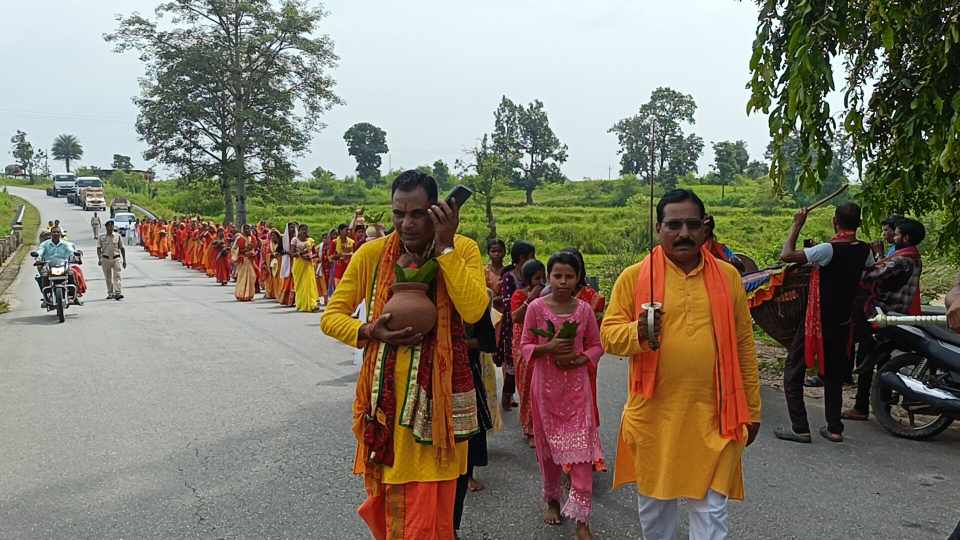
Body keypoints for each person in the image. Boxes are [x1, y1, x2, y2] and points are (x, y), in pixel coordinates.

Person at [320, 170, 487, 539]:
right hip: (388, 415)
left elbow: (474, 310)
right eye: (398, 214)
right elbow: (331, 317)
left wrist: (445, 248)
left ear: (439, 211)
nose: (406, 224)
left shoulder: (463, 250)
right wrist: (369, 331)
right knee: (396, 522)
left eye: (417, 214)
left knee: (435, 523)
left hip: (440, 419)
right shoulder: (372, 254)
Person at [600, 189, 761, 540]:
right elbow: (608, 335)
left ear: (705, 227)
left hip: (716, 415)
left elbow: (744, 346)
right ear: (659, 229)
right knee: (657, 512)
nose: (683, 233)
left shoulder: (728, 277)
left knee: (712, 512)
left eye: (691, 224)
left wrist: (752, 408)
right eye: (674, 225)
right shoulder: (634, 277)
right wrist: (638, 332)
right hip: (655, 415)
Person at [521, 251, 605, 539]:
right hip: (545, 391)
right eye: (557, 275)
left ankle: (582, 519)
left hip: (578, 391)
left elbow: (596, 345)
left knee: (582, 453)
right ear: (548, 277)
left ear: (578, 278)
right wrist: (549, 348)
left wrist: (580, 359)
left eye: (569, 276)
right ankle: (553, 501)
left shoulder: (584, 310)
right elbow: (525, 345)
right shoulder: (535, 308)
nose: (563, 281)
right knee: (548, 453)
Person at [775, 202, 874, 444]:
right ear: (859, 224)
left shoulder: (828, 249)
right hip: (843, 322)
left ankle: (800, 428)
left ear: (834, 222)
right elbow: (868, 270)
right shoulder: (865, 250)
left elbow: (786, 255)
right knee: (833, 376)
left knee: (793, 371)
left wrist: (797, 225)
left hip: (817, 321)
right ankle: (834, 428)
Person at [843, 218, 925, 421]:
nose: (893, 237)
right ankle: (883, 408)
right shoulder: (913, 256)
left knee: (867, 359)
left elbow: (870, 276)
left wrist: (873, 257)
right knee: (883, 362)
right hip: (896, 316)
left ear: (906, 238)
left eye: (896, 234)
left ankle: (861, 407)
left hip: (884, 315)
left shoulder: (902, 260)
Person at [453, 292, 498, 536]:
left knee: (467, 442)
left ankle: (451, 527)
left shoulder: (474, 298)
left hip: (465, 377)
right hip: (427, 382)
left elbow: (488, 342)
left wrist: (457, 343)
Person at [495, 240, 537, 411]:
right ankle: (507, 397)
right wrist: (527, 299)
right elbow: (507, 304)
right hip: (511, 325)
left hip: (530, 324)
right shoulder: (509, 277)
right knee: (512, 364)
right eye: (532, 256)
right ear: (521, 258)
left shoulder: (530, 274)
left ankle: (526, 400)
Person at [511, 259, 546, 446]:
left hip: (543, 347)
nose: (541, 282)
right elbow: (515, 317)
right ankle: (530, 428)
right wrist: (530, 299)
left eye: (543, 278)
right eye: (536, 278)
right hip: (524, 349)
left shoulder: (547, 294)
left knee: (542, 389)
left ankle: (542, 427)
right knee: (527, 388)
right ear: (527, 279)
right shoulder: (519, 295)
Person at [34, 227, 81, 304]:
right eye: (54, 232)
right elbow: (40, 252)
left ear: (60, 234)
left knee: (71, 273)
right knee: (43, 275)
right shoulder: (45, 244)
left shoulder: (66, 244)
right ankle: (46, 296)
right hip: (49, 265)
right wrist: (37, 258)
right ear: (51, 234)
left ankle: (73, 295)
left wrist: (75, 256)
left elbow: (71, 251)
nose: (56, 234)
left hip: (63, 265)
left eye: (58, 232)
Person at [291, 223, 320, 312]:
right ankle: (301, 304)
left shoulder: (310, 240)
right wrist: (301, 254)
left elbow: (315, 254)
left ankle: (312, 304)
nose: (304, 231)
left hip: (308, 264)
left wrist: (310, 257)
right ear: (299, 231)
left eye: (306, 230)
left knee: (309, 284)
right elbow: (292, 253)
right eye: (302, 229)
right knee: (300, 285)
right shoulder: (295, 240)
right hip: (298, 265)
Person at [97, 220, 127, 300]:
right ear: (106, 227)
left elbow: (122, 248)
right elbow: (98, 248)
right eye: (109, 226)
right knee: (108, 277)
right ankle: (110, 293)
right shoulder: (101, 237)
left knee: (117, 276)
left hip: (116, 258)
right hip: (105, 259)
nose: (110, 228)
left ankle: (118, 292)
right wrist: (99, 258)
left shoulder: (117, 236)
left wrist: (124, 260)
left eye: (112, 226)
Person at [233, 224, 259, 302]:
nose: (248, 230)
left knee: (252, 276)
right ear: (243, 230)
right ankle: (241, 294)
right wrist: (245, 251)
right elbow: (234, 250)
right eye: (246, 229)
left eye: (249, 228)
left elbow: (255, 248)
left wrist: (253, 253)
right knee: (243, 277)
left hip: (250, 260)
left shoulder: (252, 238)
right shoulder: (239, 238)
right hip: (243, 260)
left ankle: (249, 294)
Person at [333, 223, 355, 289]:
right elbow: (330, 257)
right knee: (339, 289)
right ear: (340, 231)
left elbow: (355, 254)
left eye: (348, 230)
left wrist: (349, 255)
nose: (348, 232)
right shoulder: (334, 242)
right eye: (346, 230)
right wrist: (339, 255)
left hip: (349, 268)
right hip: (339, 270)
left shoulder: (352, 242)